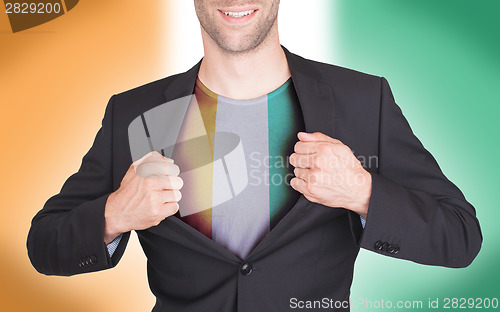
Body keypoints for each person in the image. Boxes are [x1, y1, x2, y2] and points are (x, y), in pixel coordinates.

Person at [27, 0, 482, 311]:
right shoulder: (134, 112)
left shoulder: (363, 100)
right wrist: (114, 215)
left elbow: (460, 236)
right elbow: (44, 245)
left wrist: (363, 192)